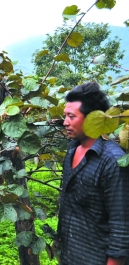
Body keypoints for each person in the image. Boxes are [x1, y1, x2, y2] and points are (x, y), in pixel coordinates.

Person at [58, 82, 129, 265]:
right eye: (65, 115)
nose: (65, 122)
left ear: (91, 119)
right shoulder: (72, 149)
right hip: (70, 256)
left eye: (71, 116)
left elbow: (121, 224)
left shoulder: (111, 161)